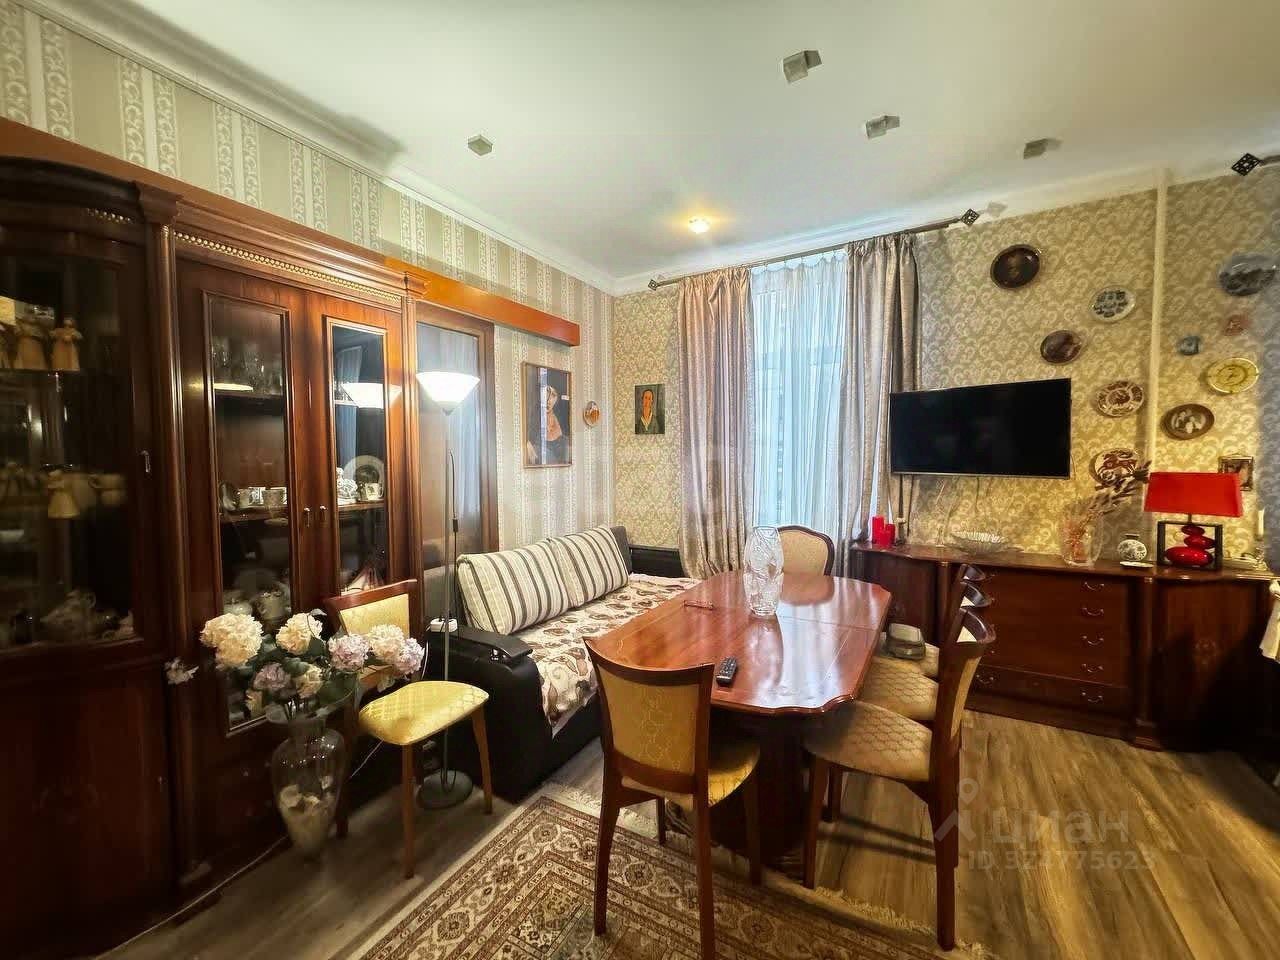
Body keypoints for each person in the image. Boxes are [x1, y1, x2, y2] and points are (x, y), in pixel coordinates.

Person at [526, 382, 568, 465]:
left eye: (553, 395)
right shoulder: (535, 419)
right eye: (546, 394)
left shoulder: (562, 420)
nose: (549, 400)